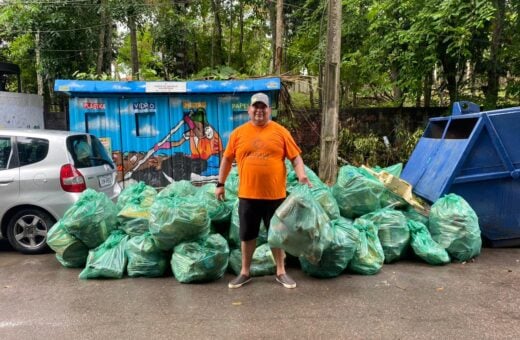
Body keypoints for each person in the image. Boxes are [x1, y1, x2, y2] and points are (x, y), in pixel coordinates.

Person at [215, 92, 311, 289]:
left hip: (275, 195)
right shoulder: (238, 133)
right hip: (248, 195)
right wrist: (220, 183)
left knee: (276, 234)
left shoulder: (281, 132)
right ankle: (245, 272)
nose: (259, 110)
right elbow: (226, 159)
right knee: (247, 235)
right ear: (249, 110)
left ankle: (281, 272)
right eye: (255, 107)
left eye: (263, 107)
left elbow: (295, 157)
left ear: (269, 110)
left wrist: (301, 174)